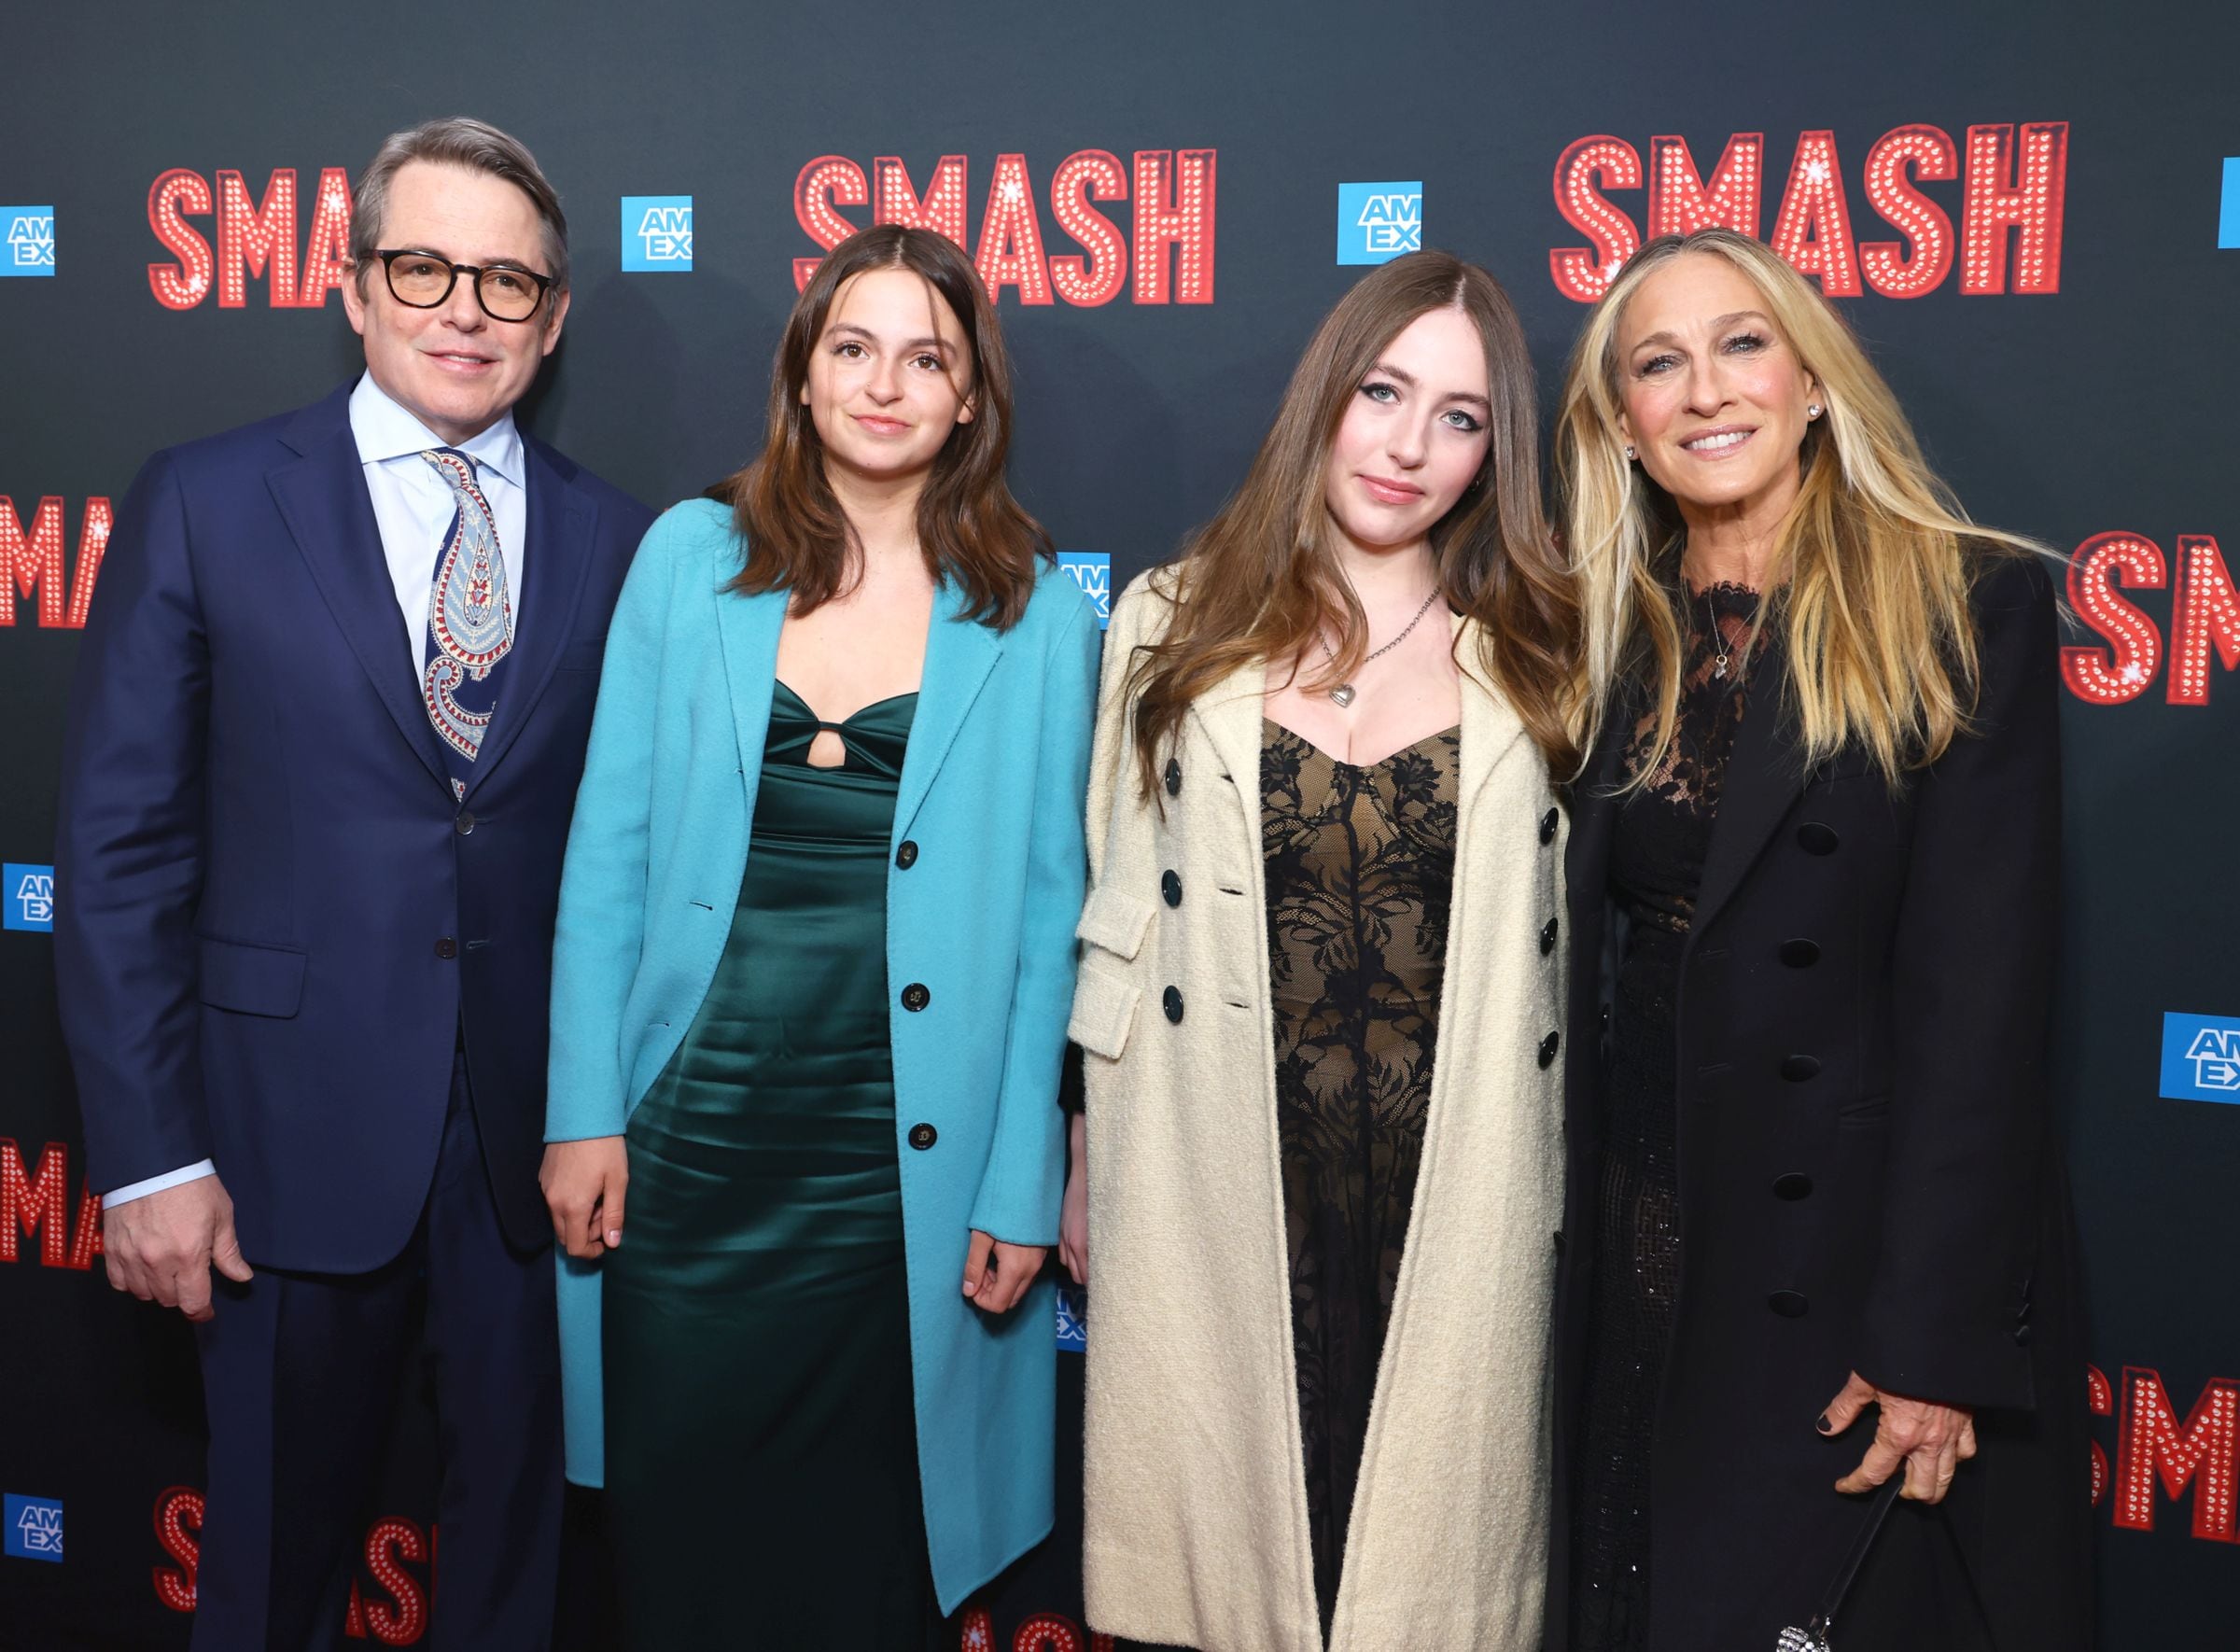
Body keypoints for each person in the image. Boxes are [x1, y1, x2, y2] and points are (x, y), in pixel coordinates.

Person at [53, 118, 651, 1650]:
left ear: (556, 316)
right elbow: (120, 856)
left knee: (519, 1578)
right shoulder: (205, 498)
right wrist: (145, 1159)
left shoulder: (617, 540)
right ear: (355, 285)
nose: (466, 307)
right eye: (426, 266)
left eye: (509, 281)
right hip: (274, 1148)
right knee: (268, 1574)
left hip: (534, 1160)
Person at [539, 223, 1096, 1650]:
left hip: (898, 1168)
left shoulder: (1032, 607)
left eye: (928, 357)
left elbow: (1051, 916)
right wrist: (584, 1111)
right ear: (805, 369)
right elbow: (608, 852)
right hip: (690, 1151)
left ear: (971, 397)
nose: (886, 384)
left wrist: (1024, 1173)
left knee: (870, 1574)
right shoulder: (690, 556)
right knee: (678, 1558)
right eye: (854, 347)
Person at [1547, 227, 2091, 1651]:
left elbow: (1983, 1012)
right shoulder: (1608, 634)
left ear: (1812, 382)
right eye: (1656, 363)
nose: (1705, 388)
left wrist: (1932, 1340)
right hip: (1643, 1254)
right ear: (1622, 421)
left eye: (1742, 343)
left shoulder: (1962, 604)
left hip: (1849, 1277)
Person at [1072, 251, 1577, 1652]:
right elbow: (1114, 909)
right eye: (1384, 390)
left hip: (1452, 1175)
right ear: (1326, 399)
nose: (1411, 444)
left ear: (1496, 449)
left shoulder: (1541, 650)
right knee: (1222, 1573)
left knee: (1427, 1567)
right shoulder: (1168, 623)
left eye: (1461, 416)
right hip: (1218, 1163)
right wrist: (1082, 1157)